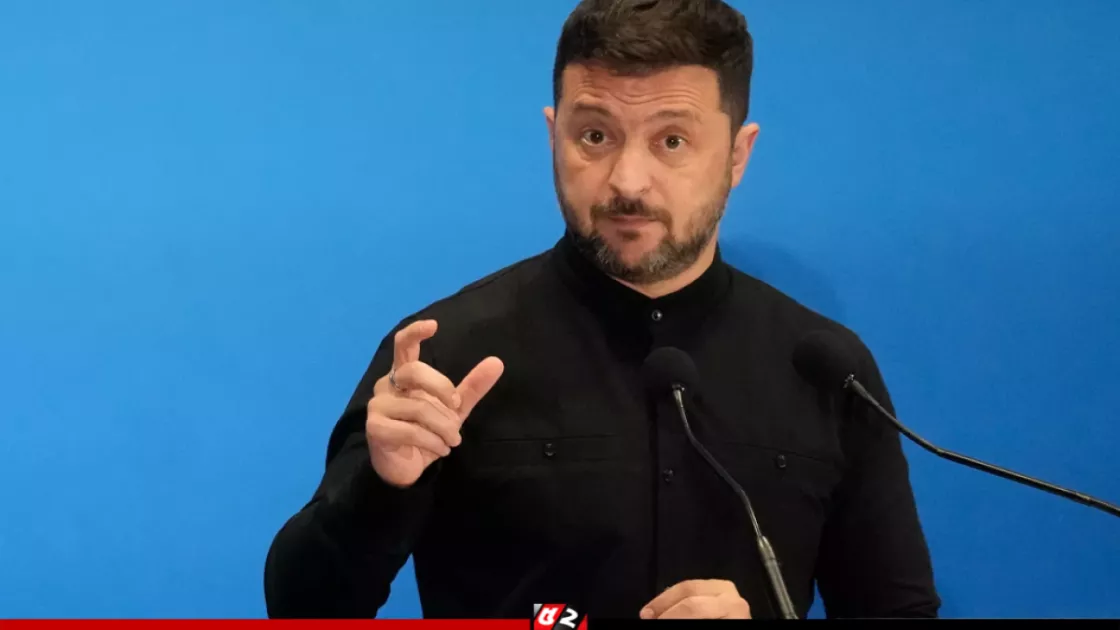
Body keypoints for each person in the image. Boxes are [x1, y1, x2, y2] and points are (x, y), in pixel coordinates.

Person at [263, 0, 940, 620]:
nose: (627, 181)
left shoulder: (826, 370)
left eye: (671, 141)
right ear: (553, 134)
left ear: (737, 155)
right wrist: (381, 488)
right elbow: (300, 609)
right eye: (594, 136)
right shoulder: (447, 356)